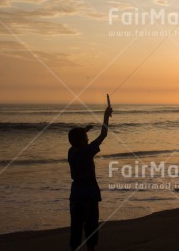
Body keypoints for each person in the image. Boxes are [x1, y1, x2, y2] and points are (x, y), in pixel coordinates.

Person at [68, 105, 112, 251]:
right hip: (89, 192)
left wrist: (84, 130)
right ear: (82, 142)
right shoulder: (86, 152)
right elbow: (103, 134)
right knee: (91, 225)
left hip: (76, 193)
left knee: (76, 225)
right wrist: (106, 116)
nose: (88, 139)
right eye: (86, 138)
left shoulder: (71, 152)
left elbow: (76, 140)